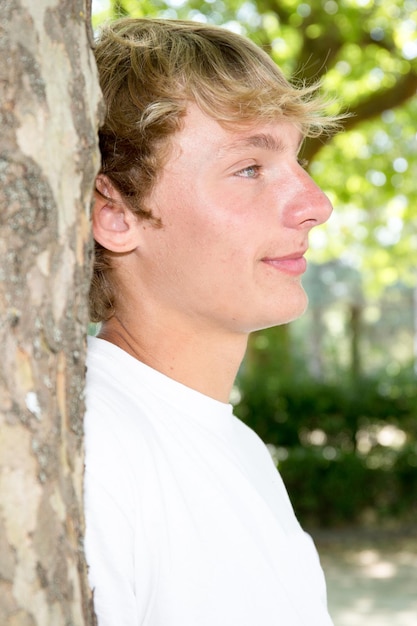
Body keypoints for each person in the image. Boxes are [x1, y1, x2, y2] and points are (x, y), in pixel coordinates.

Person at [84, 17, 341, 626]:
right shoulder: (98, 453)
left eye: (297, 159)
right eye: (249, 168)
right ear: (117, 214)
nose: (316, 204)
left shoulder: (231, 445)